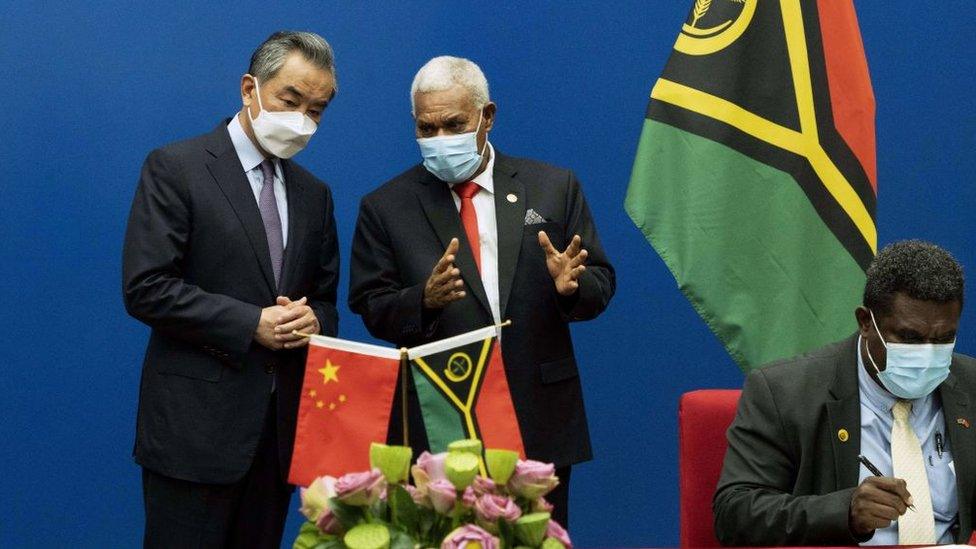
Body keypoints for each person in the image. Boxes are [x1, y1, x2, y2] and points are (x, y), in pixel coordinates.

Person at [348, 56, 615, 527]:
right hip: (440, 418)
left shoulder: (553, 186)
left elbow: (600, 281)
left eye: (453, 124)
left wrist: (570, 288)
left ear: (487, 116)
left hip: (538, 412)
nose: (440, 140)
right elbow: (371, 305)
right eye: (426, 128)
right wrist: (422, 300)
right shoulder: (385, 207)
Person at [122, 31, 340, 548]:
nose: (302, 119)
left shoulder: (315, 195)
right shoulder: (176, 167)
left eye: (317, 109)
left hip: (277, 439)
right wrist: (251, 324)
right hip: (192, 434)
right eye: (291, 100)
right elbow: (146, 287)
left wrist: (315, 323)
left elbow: (327, 301)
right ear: (249, 89)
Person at [714, 240, 975, 546]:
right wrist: (844, 512)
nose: (928, 354)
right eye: (909, 338)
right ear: (866, 322)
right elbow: (735, 514)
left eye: (944, 338)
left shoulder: (970, 385)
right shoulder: (783, 393)